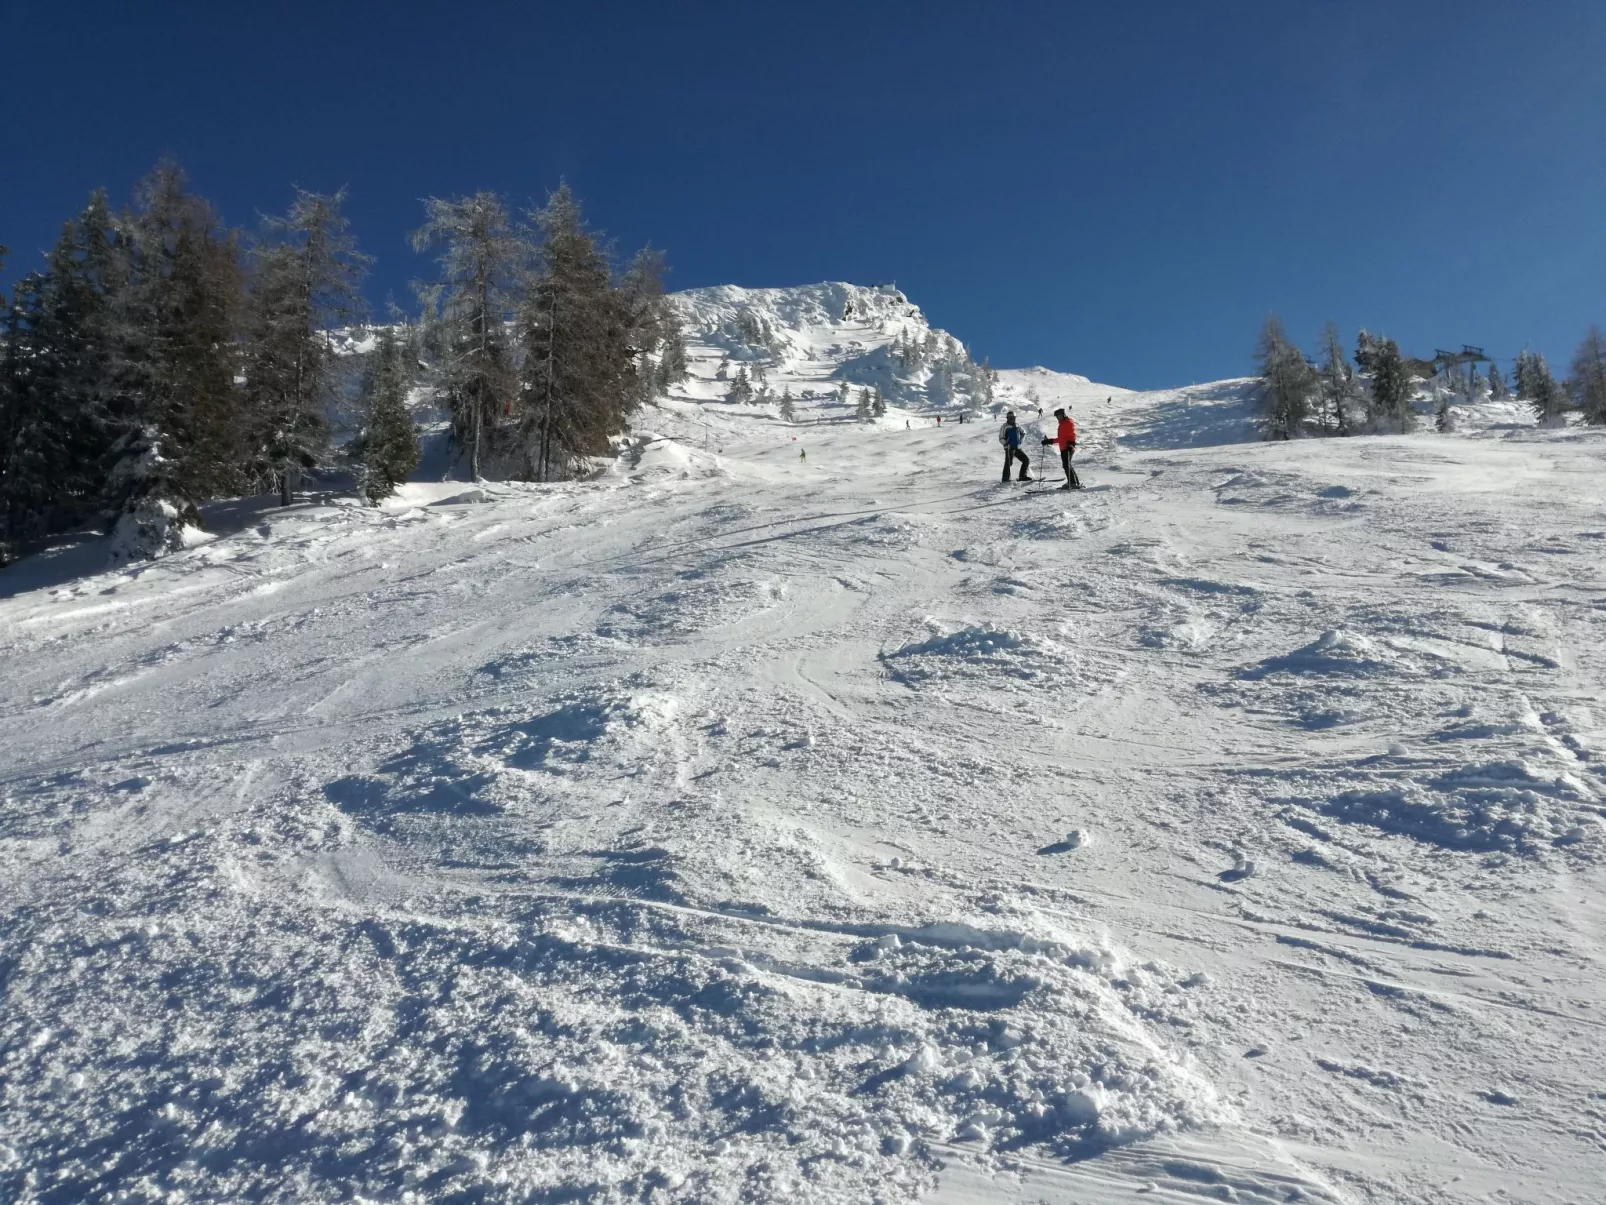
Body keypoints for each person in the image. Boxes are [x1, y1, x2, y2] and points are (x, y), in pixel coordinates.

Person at [1041, 407, 1081, 490]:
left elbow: (1072, 432)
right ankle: (1073, 482)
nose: (1058, 418)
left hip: (1068, 447)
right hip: (1063, 448)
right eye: (1057, 417)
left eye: (1059, 416)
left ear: (1063, 415)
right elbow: (1061, 439)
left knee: (1067, 465)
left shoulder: (1068, 422)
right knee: (1067, 465)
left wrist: (1071, 442)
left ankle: (1073, 483)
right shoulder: (1062, 424)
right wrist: (1049, 441)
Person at [999, 411, 1032, 482]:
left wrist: (1020, 441)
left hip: (1017, 447)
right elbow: (1001, 438)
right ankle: (1005, 478)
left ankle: (1022, 476)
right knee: (1008, 463)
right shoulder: (1004, 426)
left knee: (1026, 460)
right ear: (1007, 418)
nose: (1012, 419)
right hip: (1009, 448)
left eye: (1013, 418)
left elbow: (1024, 433)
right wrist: (1006, 444)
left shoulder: (1017, 425)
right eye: (1010, 418)